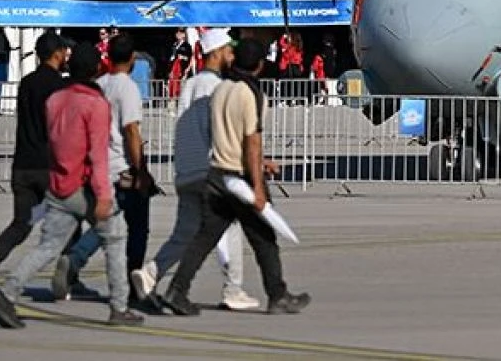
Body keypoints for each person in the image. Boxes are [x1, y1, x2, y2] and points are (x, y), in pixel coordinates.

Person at [0, 42, 143, 328]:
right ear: (96, 69)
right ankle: (119, 306)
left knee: (48, 246)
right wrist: (104, 194)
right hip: (84, 186)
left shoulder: (56, 100)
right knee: (116, 238)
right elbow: (97, 153)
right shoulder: (95, 104)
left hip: (58, 182)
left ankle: (7, 294)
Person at [160, 40, 310, 316]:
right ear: (260, 65)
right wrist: (257, 185)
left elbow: (224, 134)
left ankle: (177, 289)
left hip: (216, 174)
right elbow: (251, 141)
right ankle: (278, 294)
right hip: (239, 177)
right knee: (263, 237)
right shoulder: (250, 94)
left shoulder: (221, 90)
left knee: (204, 238)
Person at [132, 28, 259, 312]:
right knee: (229, 228)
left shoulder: (190, 84)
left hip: (186, 169)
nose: (232, 55)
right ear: (216, 53)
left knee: (186, 232)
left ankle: (151, 273)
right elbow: (215, 130)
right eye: (228, 50)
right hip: (209, 169)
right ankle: (233, 288)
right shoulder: (215, 87)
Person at [54, 32, 154, 301]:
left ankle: (74, 259)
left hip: (98, 164)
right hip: (122, 167)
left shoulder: (99, 84)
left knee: (107, 223)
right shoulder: (128, 88)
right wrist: (141, 170)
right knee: (137, 227)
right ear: (133, 58)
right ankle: (133, 280)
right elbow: (131, 130)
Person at [0, 32, 72, 300]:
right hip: (48, 166)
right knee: (69, 219)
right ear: (57, 53)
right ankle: (66, 275)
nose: (66, 56)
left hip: (23, 164)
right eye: (64, 52)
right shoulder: (59, 87)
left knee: (21, 223)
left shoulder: (26, 83)